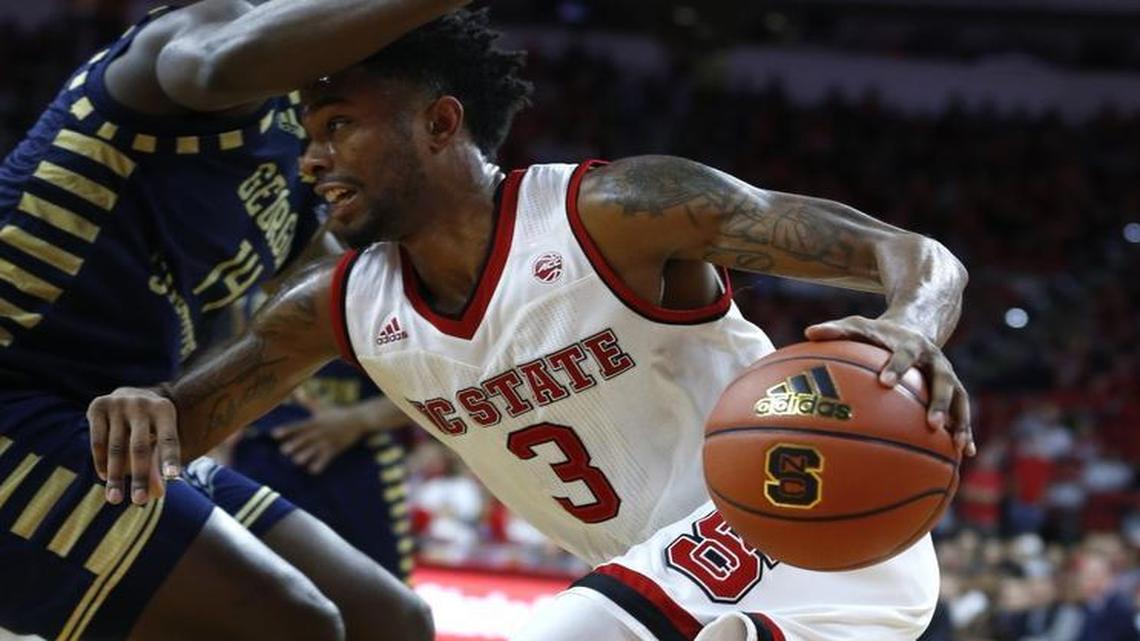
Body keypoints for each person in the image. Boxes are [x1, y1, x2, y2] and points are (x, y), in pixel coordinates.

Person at [89, 9, 975, 641]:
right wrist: (146, 402)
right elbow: (166, 428)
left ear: (440, 123)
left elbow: (913, 254)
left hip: (804, 526)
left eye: (339, 126)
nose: (311, 160)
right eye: (307, 136)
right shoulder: (337, 305)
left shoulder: (617, 212)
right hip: (673, 587)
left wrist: (913, 322)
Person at [0, 0, 465, 638]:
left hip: (115, 421)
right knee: (290, 623)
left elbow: (343, 297)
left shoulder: (303, 169)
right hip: (16, 397)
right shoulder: (205, 30)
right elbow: (215, 63)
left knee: (389, 619)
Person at [232, 357, 416, 579]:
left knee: (379, 586)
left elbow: (437, 385)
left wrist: (360, 418)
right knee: (254, 583)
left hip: (360, 466)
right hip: (259, 460)